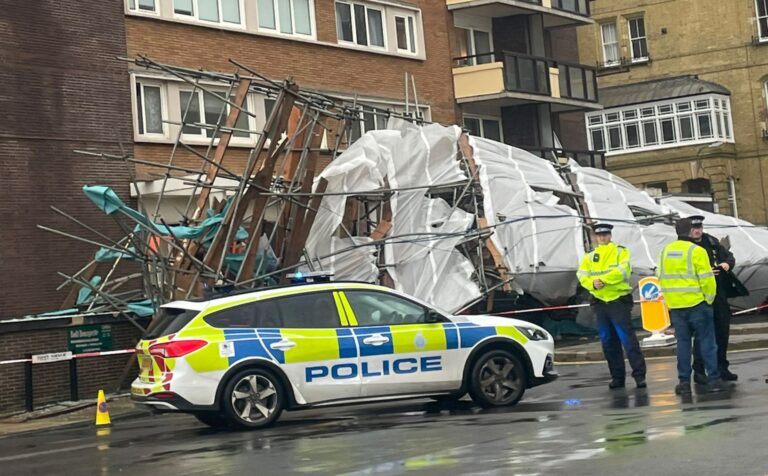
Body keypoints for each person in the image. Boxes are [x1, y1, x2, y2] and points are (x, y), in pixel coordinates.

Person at [657, 218, 727, 395]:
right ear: (690, 231)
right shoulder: (697, 251)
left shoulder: (665, 251)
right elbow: (707, 279)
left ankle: (683, 382)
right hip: (697, 304)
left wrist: (670, 301)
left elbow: (660, 276)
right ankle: (713, 379)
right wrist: (708, 300)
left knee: (683, 345)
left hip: (676, 306)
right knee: (707, 343)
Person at [577, 223, 647, 389]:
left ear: (610, 235)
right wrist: (593, 283)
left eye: (605, 234)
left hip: (618, 302)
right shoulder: (590, 256)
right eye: (600, 235)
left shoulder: (620, 252)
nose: (603, 237)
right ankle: (617, 378)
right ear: (596, 237)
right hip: (601, 303)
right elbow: (581, 275)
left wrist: (603, 280)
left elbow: (623, 271)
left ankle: (639, 376)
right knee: (608, 343)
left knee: (628, 340)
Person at [688, 215, 741, 384]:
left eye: (700, 227)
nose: (697, 230)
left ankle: (722, 367)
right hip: (700, 295)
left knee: (722, 331)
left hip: (719, 293)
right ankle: (699, 369)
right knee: (702, 334)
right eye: (694, 228)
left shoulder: (711, 241)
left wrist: (727, 264)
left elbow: (729, 256)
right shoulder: (686, 246)